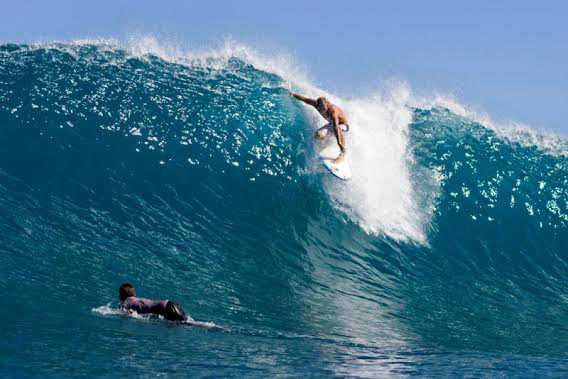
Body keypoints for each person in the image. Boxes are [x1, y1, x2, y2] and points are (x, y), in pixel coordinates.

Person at [291, 93, 350, 163]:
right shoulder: (316, 105)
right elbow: (304, 99)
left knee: (337, 131)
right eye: (320, 107)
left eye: (323, 107)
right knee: (317, 135)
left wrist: (339, 142)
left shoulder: (333, 111)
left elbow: (336, 127)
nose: (322, 109)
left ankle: (342, 154)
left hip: (342, 125)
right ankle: (325, 146)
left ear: (327, 104)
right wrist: (292, 94)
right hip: (332, 124)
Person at [119, 283, 188, 322]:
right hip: (170, 304)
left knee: (186, 324)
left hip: (167, 308)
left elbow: (124, 315)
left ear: (122, 295)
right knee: (187, 322)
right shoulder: (136, 300)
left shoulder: (126, 302)